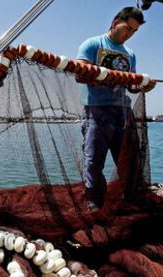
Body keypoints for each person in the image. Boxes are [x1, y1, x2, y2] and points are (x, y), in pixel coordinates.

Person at [76, 7, 156, 211]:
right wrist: (108, 74)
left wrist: (143, 85)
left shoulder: (130, 54)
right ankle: (94, 200)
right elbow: (79, 73)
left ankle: (133, 197)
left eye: (134, 31)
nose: (129, 34)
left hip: (123, 114)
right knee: (94, 160)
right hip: (96, 111)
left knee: (129, 160)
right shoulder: (92, 44)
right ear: (114, 22)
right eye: (127, 28)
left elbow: (131, 86)